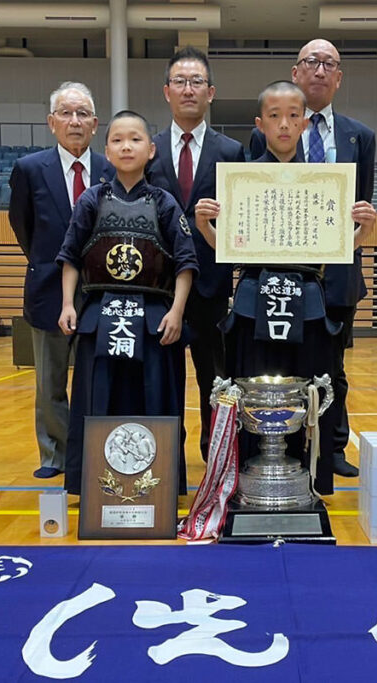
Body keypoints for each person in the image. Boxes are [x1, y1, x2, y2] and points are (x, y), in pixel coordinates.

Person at [196, 81, 377, 497]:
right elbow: (229, 251)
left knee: (310, 390)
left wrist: (362, 233)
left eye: (293, 115)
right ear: (260, 124)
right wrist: (206, 226)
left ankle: (307, 480)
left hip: (309, 298)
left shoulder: (324, 180)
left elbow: (332, 251)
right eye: (274, 116)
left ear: (305, 122)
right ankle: (246, 480)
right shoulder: (242, 179)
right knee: (249, 389)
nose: (284, 124)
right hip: (253, 297)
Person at [250, 39, 375, 478]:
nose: (320, 70)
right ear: (296, 72)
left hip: (337, 275)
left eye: (330, 65)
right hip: (282, 273)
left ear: (339, 78)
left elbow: (362, 205)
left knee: (332, 367)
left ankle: (332, 446)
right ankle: (277, 443)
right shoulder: (266, 132)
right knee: (281, 363)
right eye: (311, 63)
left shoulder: (361, 136)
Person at [56, 110, 198, 496]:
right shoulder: (92, 199)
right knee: (96, 401)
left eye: (135, 139)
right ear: (106, 150)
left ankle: (158, 485)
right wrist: (69, 305)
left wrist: (176, 311)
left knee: (154, 401)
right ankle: (96, 486)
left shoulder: (164, 202)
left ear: (151, 150)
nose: (126, 146)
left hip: (153, 318)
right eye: (117, 139)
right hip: (100, 316)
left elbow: (186, 263)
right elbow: (70, 256)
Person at [9, 81, 114, 479]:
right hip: (48, 290)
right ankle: (54, 455)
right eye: (66, 114)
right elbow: (23, 226)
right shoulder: (30, 169)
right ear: (51, 122)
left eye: (83, 114)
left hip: (102, 292)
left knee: (96, 377)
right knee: (50, 382)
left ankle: (93, 455)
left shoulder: (110, 169)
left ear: (95, 123)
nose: (75, 121)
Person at [145, 46, 244, 463]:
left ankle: (214, 457)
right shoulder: (146, 149)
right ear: (167, 91)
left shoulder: (232, 151)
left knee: (214, 379)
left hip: (211, 285)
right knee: (162, 378)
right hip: (160, 287)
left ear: (211, 92)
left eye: (197, 82)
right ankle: (167, 459)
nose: (189, 89)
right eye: (180, 82)